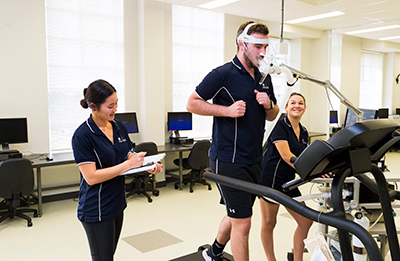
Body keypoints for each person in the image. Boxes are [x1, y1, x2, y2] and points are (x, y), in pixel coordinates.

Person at [186, 21, 279, 261]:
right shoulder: (223, 74)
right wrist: (226, 111)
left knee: (237, 212)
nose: (262, 52)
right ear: (242, 43)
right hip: (228, 159)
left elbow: (272, 114)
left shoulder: (264, 76)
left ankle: (213, 252)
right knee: (244, 223)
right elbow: (192, 102)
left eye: (265, 46)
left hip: (254, 158)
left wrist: (269, 105)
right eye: (258, 45)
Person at [72, 79, 163, 261]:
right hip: (96, 207)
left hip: (116, 202)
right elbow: (91, 177)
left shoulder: (118, 126)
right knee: (103, 258)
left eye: (116, 103)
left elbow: (127, 153)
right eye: (110, 106)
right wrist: (128, 165)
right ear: (93, 107)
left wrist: (146, 165)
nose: (115, 109)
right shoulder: (82, 135)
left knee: (109, 255)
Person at [259, 92, 312, 261]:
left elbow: (306, 158)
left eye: (301, 103)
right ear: (286, 107)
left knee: (305, 221)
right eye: (293, 102)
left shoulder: (304, 132)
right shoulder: (279, 125)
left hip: (289, 182)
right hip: (271, 180)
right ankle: (271, 260)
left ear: (304, 108)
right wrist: (308, 167)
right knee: (269, 223)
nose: (297, 105)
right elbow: (286, 155)